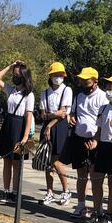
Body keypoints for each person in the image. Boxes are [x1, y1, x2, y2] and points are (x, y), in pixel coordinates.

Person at [60, 66, 108, 219]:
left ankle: (98, 208)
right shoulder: (79, 95)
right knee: (81, 175)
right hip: (79, 139)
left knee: (95, 177)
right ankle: (81, 205)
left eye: (86, 80)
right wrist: (72, 117)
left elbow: (104, 120)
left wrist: (97, 140)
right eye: (81, 79)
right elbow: (73, 112)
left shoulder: (103, 97)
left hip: (95, 140)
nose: (82, 82)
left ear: (95, 81)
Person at [84, 75, 112, 223]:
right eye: (107, 87)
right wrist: (94, 141)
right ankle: (97, 211)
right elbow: (99, 129)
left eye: (111, 88)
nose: (108, 90)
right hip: (102, 147)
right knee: (96, 180)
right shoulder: (103, 108)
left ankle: (109, 214)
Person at [0, 61, 35, 204]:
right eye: (14, 74)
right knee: (6, 161)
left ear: (24, 76)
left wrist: (24, 137)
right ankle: (6, 190)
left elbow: (29, 116)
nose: (15, 76)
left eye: (18, 74)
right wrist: (10, 66)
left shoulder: (29, 95)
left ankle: (15, 192)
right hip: (7, 126)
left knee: (16, 162)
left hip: (19, 127)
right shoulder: (11, 90)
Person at [39, 62, 73, 206]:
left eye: (60, 75)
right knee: (47, 162)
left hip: (60, 127)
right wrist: (52, 116)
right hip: (48, 126)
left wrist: (50, 120)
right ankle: (49, 192)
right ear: (50, 76)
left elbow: (63, 113)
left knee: (56, 161)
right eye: (55, 75)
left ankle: (66, 190)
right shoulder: (44, 92)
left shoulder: (67, 90)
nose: (57, 77)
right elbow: (42, 114)